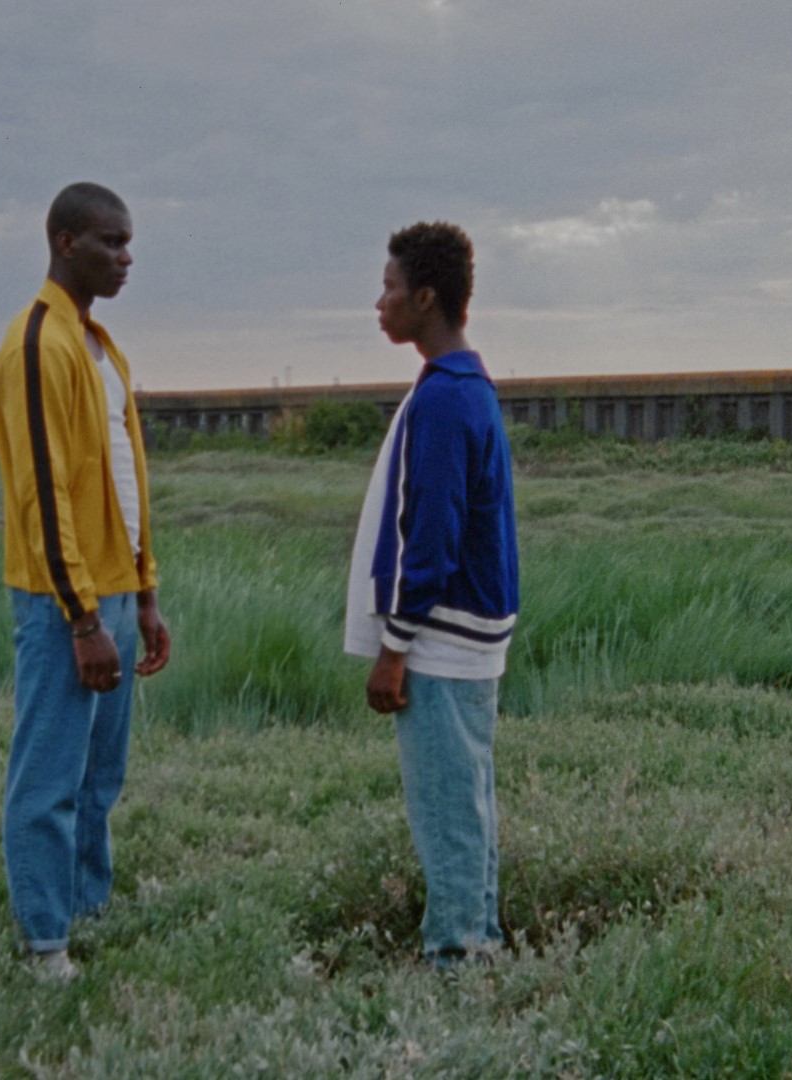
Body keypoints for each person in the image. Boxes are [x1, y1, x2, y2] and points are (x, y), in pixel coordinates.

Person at [0, 181, 171, 981]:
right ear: (65, 242)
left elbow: (126, 477)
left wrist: (146, 593)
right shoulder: (38, 344)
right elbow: (43, 489)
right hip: (68, 605)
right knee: (49, 778)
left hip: (118, 597)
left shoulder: (100, 346)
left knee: (100, 776)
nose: (126, 258)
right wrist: (81, 617)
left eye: (129, 244)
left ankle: (88, 908)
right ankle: (44, 942)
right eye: (110, 243)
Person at [344, 221, 520, 967]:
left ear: (425, 297)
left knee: (447, 811)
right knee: (467, 803)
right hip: (465, 639)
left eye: (388, 288)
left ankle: (456, 961)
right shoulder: (462, 385)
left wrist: (395, 646)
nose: (377, 302)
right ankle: (479, 941)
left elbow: (434, 533)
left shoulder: (447, 399)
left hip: (442, 644)